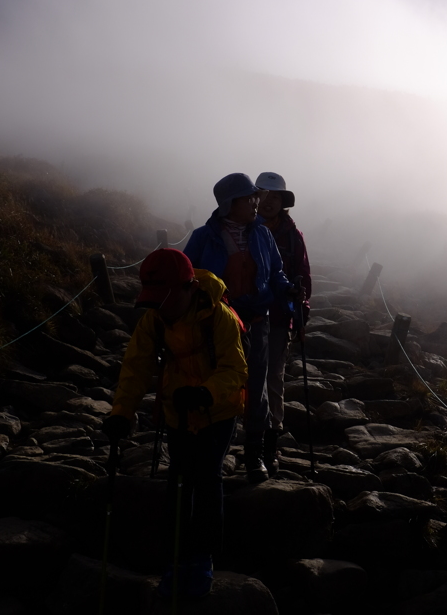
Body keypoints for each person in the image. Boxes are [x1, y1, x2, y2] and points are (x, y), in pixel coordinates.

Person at [101, 248, 247, 599]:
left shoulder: (220, 318)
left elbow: (236, 370)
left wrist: (205, 394)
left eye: (164, 298)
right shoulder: (154, 319)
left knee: (207, 478)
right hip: (176, 412)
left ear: (188, 287)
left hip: (218, 412)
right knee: (179, 480)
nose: (159, 306)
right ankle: (177, 557)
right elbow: (136, 367)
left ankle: (203, 558)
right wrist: (121, 413)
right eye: (154, 299)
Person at [182, 173, 297, 482]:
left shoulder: (262, 234)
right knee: (216, 382)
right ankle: (211, 453)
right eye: (249, 198)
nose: (255, 202)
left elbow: (276, 272)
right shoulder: (204, 237)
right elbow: (186, 279)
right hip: (217, 324)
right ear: (230, 204)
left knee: (256, 387)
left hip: (256, 321)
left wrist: (288, 292)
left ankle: (253, 455)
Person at [255, 172, 312, 474]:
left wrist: (301, 314)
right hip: (241, 316)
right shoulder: (239, 228)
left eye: (275, 197)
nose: (269, 201)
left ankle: (268, 443)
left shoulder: (293, 235)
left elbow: (303, 275)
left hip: (278, 317)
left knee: (273, 377)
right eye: (264, 195)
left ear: (283, 203)